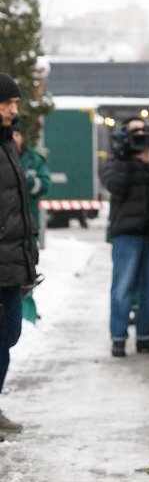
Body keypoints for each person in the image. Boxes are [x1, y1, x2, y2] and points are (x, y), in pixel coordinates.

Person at [99, 117, 149, 358]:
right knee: (123, 287)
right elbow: (116, 186)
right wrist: (127, 158)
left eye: (142, 131)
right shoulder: (115, 161)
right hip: (126, 235)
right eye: (134, 132)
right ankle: (118, 338)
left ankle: (145, 337)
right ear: (125, 135)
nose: (139, 136)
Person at [0, 73, 38, 434]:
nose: (14, 110)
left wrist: (30, 252)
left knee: (8, 336)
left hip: (12, 262)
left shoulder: (9, 143)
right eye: (8, 103)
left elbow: (19, 206)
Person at [12, 121, 51, 325]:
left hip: (28, 227)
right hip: (7, 229)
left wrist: (26, 181)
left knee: (27, 272)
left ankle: (27, 314)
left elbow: (45, 184)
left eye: (18, 135)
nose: (15, 139)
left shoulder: (33, 160)